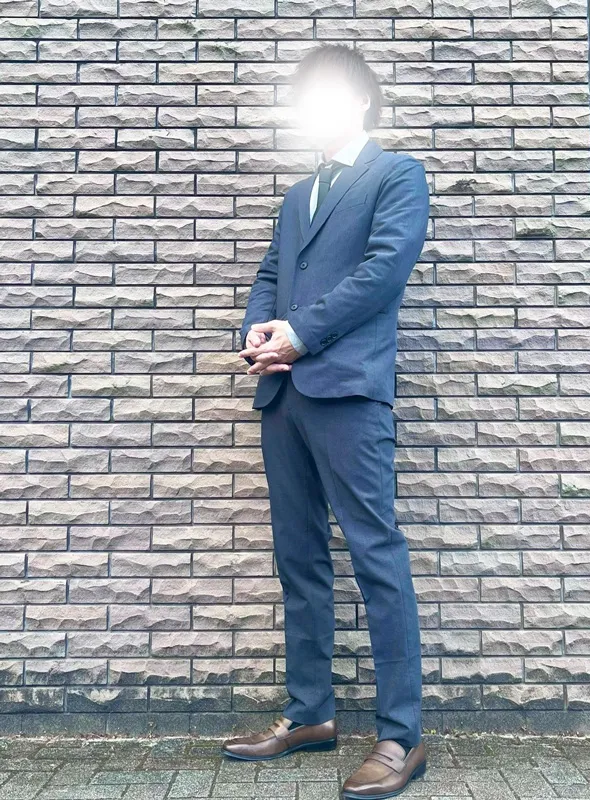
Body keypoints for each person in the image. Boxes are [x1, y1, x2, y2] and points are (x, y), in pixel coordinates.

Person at [221, 42, 430, 800]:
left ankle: (401, 735)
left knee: (375, 552)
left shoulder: (397, 175)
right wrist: (256, 330)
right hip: (283, 397)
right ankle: (310, 714)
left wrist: (300, 334)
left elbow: (383, 272)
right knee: (299, 558)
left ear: (363, 100)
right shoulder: (298, 193)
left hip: (348, 393)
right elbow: (269, 276)